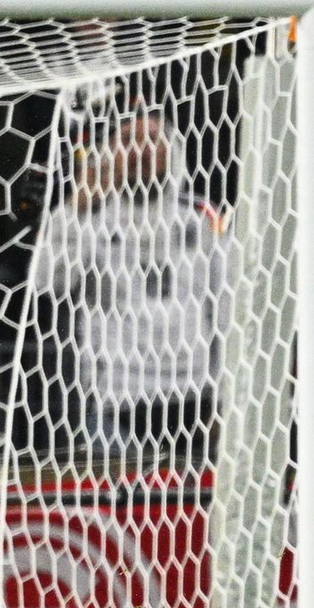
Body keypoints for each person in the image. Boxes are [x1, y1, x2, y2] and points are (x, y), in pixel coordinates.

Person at [32, 108, 228, 472]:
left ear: (172, 149)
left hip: (194, 397)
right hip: (116, 400)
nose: (140, 150)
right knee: (124, 504)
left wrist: (225, 400)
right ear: (107, 155)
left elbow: (226, 311)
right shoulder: (89, 218)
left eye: (152, 139)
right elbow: (48, 282)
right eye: (126, 140)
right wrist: (75, 207)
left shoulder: (201, 217)